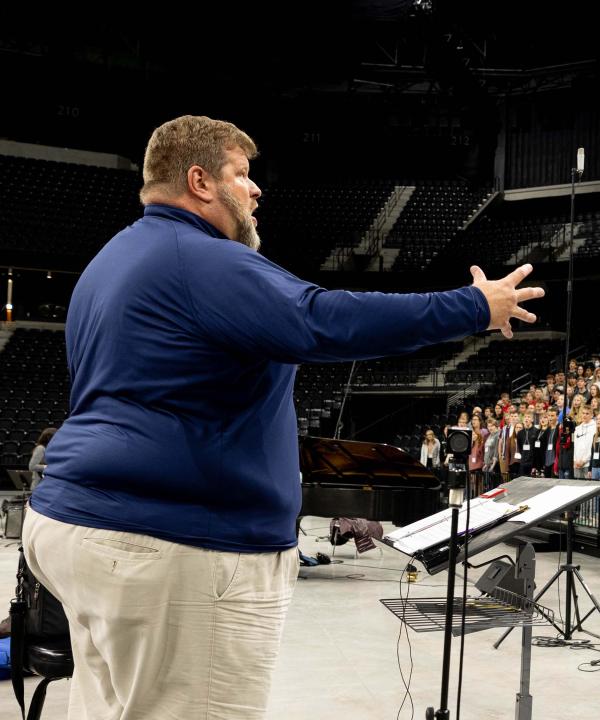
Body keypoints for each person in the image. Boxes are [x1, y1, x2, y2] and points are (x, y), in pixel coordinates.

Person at [21, 115, 543, 719]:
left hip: (79, 528)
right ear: (200, 182)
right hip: (173, 542)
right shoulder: (200, 260)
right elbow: (323, 320)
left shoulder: (109, 262)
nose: (256, 190)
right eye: (242, 176)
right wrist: (472, 306)